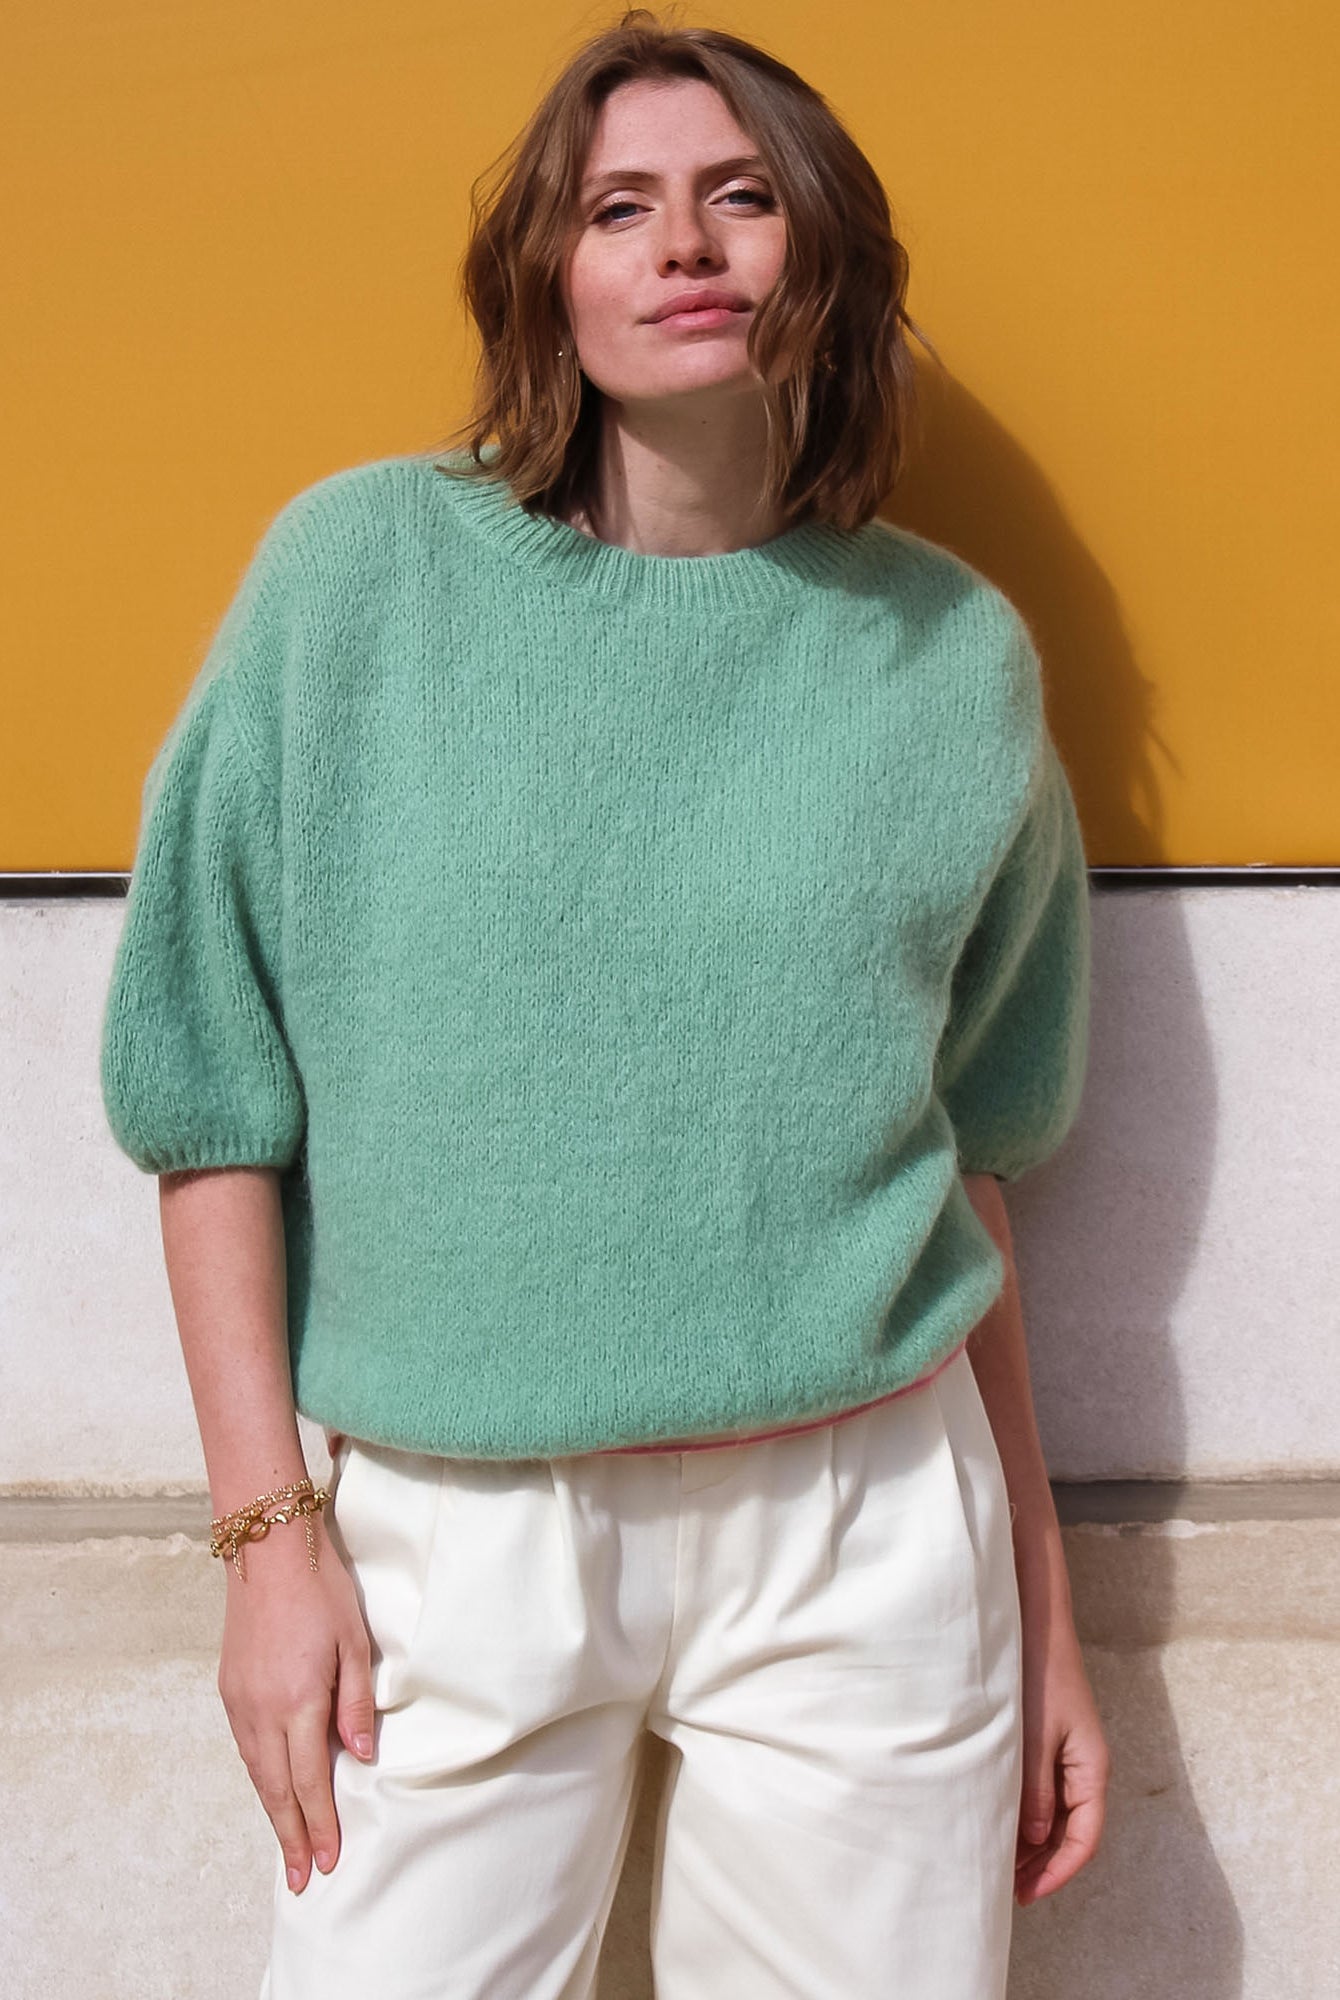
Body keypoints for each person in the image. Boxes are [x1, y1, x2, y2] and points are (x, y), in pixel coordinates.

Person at [98, 11, 1110, 1997]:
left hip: (865, 1521)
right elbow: (207, 1093)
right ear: (544, 275)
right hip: (454, 1527)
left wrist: (1046, 1606)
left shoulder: (951, 657)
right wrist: (265, 1539)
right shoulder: (354, 583)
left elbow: (974, 1158)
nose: (686, 247)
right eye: (618, 208)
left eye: (741, 197)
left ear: (821, 252)